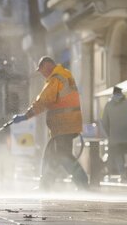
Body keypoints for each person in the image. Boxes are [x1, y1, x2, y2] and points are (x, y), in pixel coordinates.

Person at [12, 57, 89, 191]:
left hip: (64, 124)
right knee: (52, 154)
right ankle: (46, 186)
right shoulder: (65, 75)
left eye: (41, 70)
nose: (41, 73)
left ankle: (82, 181)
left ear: (47, 66)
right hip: (67, 123)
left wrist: (26, 115)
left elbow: (43, 101)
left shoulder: (56, 79)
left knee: (63, 155)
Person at [101, 86, 127, 182]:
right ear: (122, 93)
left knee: (118, 155)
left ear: (113, 93)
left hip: (115, 137)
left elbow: (104, 122)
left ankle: (122, 173)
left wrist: (109, 134)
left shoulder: (108, 104)